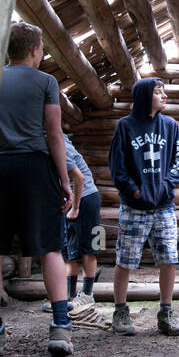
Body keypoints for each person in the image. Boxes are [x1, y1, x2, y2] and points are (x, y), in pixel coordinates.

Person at [0, 21, 73, 357]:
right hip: (36, 167)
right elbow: (54, 133)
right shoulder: (46, 82)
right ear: (34, 50)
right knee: (50, 249)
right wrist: (64, 180)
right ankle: (60, 327)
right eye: (42, 48)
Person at [108, 76, 179, 336]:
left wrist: (165, 187)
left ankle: (166, 314)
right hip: (134, 207)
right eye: (158, 91)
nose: (164, 95)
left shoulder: (170, 126)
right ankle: (120, 312)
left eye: (164, 91)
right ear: (144, 96)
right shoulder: (125, 126)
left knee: (169, 259)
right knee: (126, 259)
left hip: (164, 206)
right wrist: (134, 190)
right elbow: (117, 167)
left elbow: (178, 160)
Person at [63, 133, 108, 329]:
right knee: (68, 251)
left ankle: (88, 294)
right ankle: (68, 297)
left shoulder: (61, 145)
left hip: (86, 198)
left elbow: (79, 178)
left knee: (89, 248)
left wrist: (76, 207)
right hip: (70, 201)